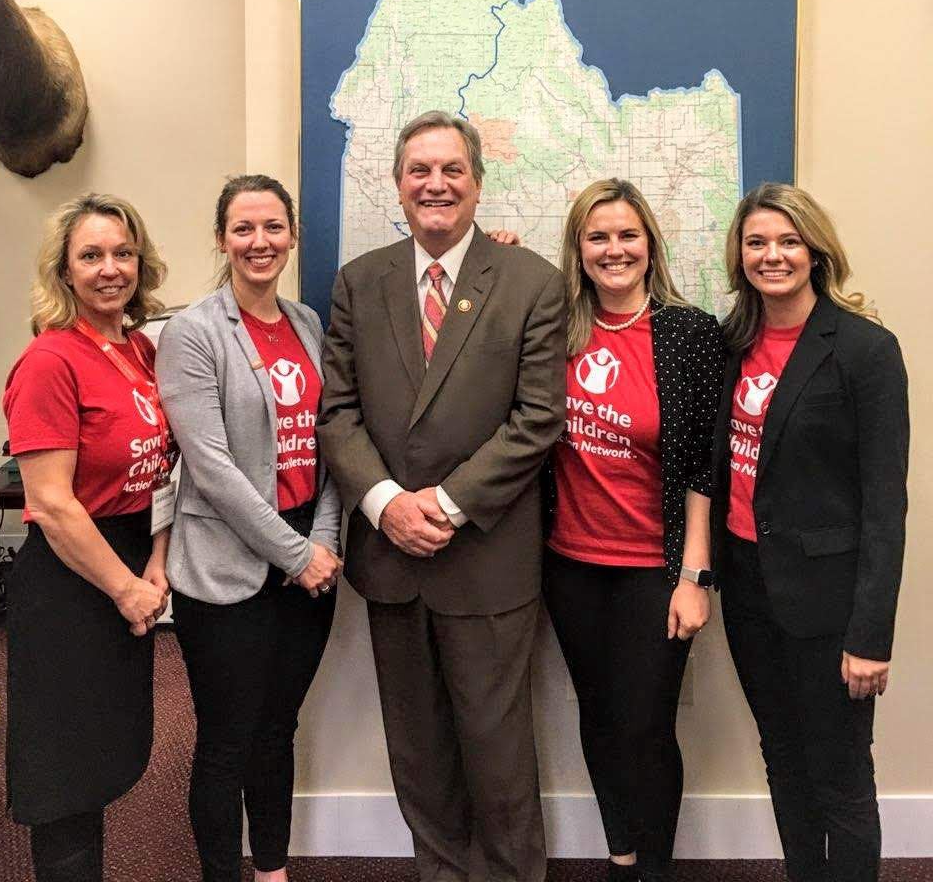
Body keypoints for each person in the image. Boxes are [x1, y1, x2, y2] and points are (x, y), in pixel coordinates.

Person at [317, 110, 566, 882]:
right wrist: (388, 503)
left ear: (478, 184)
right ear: (397, 184)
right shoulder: (361, 282)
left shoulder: (532, 282)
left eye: (452, 169)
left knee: (497, 758)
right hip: (391, 561)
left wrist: (446, 506)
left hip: (487, 561)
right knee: (418, 754)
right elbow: (337, 410)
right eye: (419, 170)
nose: (435, 184)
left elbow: (538, 419)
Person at [712, 183, 909, 882]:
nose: (773, 256)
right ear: (740, 255)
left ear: (816, 250)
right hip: (748, 591)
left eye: (789, 241)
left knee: (840, 774)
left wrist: (870, 637)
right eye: (758, 242)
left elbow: (886, 505)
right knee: (782, 758)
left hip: (828, 605)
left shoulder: (864, 349)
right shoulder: (731, 343)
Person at [155, 174, 342, 882]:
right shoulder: (193, 331)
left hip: (307, 560)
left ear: (292, 235)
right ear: (221, 238)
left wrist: (323, 540)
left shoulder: (306, 324)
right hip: (228, 568)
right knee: (227, 740)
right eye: (243, 229)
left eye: (272, 228)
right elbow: (210, 467)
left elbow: (326, 447)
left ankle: (270, 870)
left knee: (277, 730)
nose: (259, 242)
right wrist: (297, 553)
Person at [540, 179, 725, 882]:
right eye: (598, 237)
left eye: (626, 235)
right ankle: (620, 858)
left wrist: (694, 577)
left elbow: (706, 465)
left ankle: (654, 869)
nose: (613, 250)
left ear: (649, 245)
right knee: (599, 716)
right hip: (571, 565)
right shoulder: (555, 330)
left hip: (657, 567)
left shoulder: (688, 332)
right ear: (578, 250)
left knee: (647, 727)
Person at [2, 194, 172, 882]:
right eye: (92, 255)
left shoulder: (138, 349)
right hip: (72, 585)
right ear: (65, 272)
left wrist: (157, 561)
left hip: (132, 562)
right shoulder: (49, 361)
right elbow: (52, 504)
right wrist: (128, 588)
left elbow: (164, 470)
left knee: (104, 754)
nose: (111, 268)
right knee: (65, 775)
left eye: (122, 252)